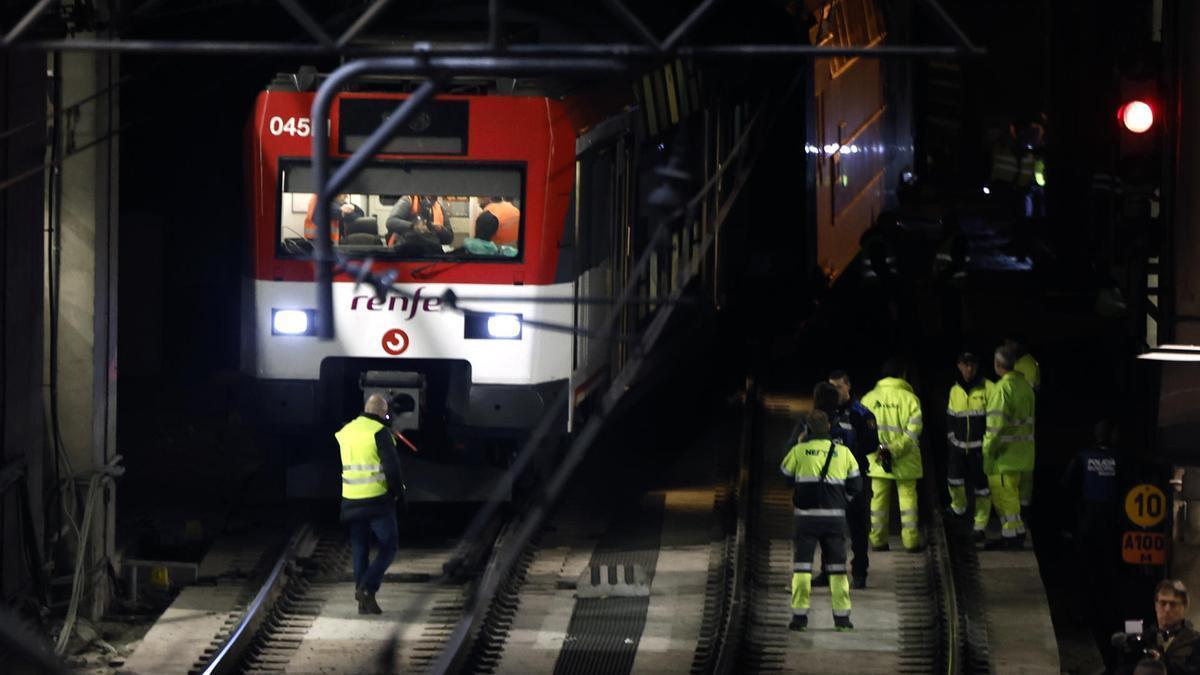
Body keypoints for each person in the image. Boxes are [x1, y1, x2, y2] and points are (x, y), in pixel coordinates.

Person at [781, 410, 861, 632]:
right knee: (837, 570)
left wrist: (798, 444)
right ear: (828, 428)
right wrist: (842, 502)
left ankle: (799, 618)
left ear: (807, 429)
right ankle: (842, 620)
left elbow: (786, 477)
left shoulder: (799, 451)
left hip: (805, 521)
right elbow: (856, 486)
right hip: (835, 521)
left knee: (802, 569)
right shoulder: (843, 453)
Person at [1063, 420, 1124, 669]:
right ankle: (1105, 612)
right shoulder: (1120, 460)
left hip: (1088, 523)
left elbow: (1066, 484)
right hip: (1112, 525)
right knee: (1108, 572)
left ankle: (1084, 612)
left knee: (1085, 570)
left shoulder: (1083, 457)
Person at [336, 394, 404, 614]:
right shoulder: (379, 432)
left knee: (360, 548)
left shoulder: (346, 432)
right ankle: (367, 587)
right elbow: (392, 469)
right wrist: (398, 494)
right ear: (382, 414)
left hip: (351, 499)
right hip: (377, 501)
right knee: (389, 546)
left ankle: (363, 601)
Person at [860, 358, 925, 552]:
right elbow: (913, 433)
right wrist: (894, 449)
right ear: (902, 375)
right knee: (908, 502)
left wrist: (881, 449)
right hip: (906, 460)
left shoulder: (868, 399)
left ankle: (878, 540)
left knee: (878, 500)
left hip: (878, 460)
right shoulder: (910, 399)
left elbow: (863, 431)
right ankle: (911, 542)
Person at [982, 344, 1036, 549]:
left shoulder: (1002, 389)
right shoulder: (1025, 387)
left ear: (997, 365)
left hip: (1004, 457)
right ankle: (1018, 531)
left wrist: (987, 450)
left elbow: (996, 427)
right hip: (1025, 455)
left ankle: (1011, 535)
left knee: (1005, 497)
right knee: (1014, 496)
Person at [828, 370, 878, 588]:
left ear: (848, 386)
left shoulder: (862, 414)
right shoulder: (826, 413)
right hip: (831, 479)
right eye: (832, 387)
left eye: (838, 386)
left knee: (858, 528)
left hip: (854, 478)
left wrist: (848, 450)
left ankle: (859, 573)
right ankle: (828, 571)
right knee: (829, 527)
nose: (835, 391)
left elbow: (871, 444)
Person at [945, 352, 993, 542]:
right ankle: (959, 508)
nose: (969, 369)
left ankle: (979, 526)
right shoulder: (955, 390)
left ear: (977, 365)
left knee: (982, 489)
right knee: (954, 481)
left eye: (972, 365)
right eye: (965, 365)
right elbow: (950, 417)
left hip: (980, 450)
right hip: (959, 448)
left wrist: (986, 444)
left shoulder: (988, 388)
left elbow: (994, 419)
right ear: (959, 366)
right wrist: (952, 440)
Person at [1116, 580, 1200, 675]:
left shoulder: (1195, 642)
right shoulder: (1144, 637)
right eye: (1163, 603)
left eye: (1173, 604)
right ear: (1156, 606)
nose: (1167, 609)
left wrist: (1160, 662)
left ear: (1184, 607)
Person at [1004, 337, 1040, 512]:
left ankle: (1023, 507)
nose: (1006, 347)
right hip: (1016, 426)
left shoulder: (1028, 366)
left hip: (1023, 425)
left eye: (1009, 343)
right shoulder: (1019, 364)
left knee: (1024, 468)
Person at [386, 194, 454, 247]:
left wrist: (440, 229)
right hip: (406, 251)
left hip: (432, 254)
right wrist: (414, 226)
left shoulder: (439, 208)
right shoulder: (409, 200)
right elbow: (391, 222)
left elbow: (449, 239)